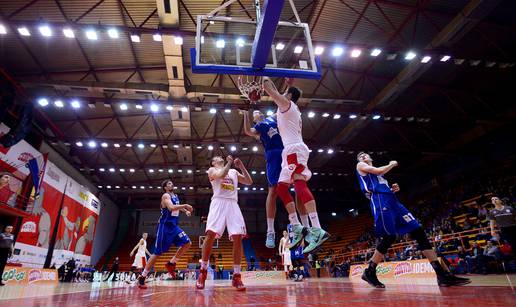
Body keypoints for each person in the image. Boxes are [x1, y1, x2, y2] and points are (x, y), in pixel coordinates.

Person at [355, 152, 470, 287]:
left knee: (418, 231)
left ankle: (442, 274)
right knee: (389, 237)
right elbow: (378, 171)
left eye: (365, 154)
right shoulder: (361, 165)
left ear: (371, 157)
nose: (362, 156)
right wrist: (392, 164)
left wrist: (391, 189)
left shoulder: (379, 176)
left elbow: (379, 176)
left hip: (393, 201)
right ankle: (369, 271)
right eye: (360, 156)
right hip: (380, 202)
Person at [262, 77, 329, 254]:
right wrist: (288, 85)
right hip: (289, 151)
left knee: (300, 185)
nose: (282, 95)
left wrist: (264, 75)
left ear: (289, 97)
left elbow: (270, 90)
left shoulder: (288, 106)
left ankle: (317, 228)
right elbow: (280, 94)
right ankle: (297, 226)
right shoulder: (289, 107)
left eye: (285, 93)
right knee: (281, 188)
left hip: (294, 149)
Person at [196, 155, 252, 291]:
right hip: (218, 202)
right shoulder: (212, 171)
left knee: (238, 237)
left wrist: (241, 167)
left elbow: (249, 181)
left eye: (220, 157)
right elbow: (221, 174)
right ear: (213, 162)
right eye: (216, 158)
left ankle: (237, 275)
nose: (219, 158)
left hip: (233, 204)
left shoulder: (233, 171)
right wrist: (229, 163)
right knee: (210, 234)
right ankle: (203, 271)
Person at [138, 179, 193, 288]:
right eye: (168, 183)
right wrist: (185, 205)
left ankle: (171, 263)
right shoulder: (165, 196)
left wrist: (184, 211)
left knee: (187, 243)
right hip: (165, 227)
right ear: (165, 188)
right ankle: (143, 276)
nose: (171, 184)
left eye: (172, 183)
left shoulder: (175, 196)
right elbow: (171, 207)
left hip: (174, 227)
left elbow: (176, 206)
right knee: (157, 253)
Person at [241, 110, 283, 248]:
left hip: (288, 151)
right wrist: (246, 114)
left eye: (258, 111)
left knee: (296, 186)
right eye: (255, 114)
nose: (257, 112)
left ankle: (299, 224)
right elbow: (248, 131)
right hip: (274, 155)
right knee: (273, 191)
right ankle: (270, 231)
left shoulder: (273, 118)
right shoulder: (259, 127)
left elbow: (282, 105)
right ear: (255, 120)